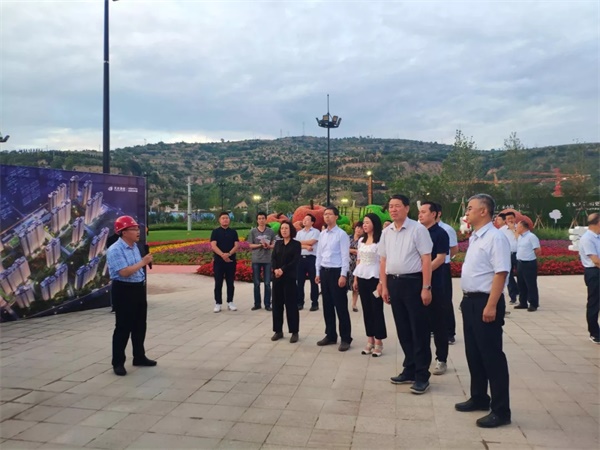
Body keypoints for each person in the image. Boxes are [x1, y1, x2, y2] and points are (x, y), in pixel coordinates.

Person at [455, 193, 511, 428]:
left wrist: (491, 305)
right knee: (474, 353)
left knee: (491, 356)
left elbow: (501, 272)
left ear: (483, 211)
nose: (466, 212)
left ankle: (501, 410)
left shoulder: (495, 238)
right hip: (470, 301)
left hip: (486, 301)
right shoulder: (476, 237)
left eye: (470, 208)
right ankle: (479, 397)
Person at [379, 194, 433, 395]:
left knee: (418, 330)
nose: (393, 210)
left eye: (397, 206)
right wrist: (384, 286)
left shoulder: (418, 230)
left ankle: (422, 375)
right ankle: (409, 368)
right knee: (403, 329)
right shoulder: (387, 232)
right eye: (390, 206)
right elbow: (383, 261)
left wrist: (426, 287)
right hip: (394, 283)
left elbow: (426, 259)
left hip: (413, 283)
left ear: (407, 208)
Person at [106, 215, 155, 376]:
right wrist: (143, 262)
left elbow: (136, 269)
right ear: (123, 232)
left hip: (138, 289)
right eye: (134, 229)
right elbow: (124, 272)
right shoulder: (115, 250)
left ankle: (139, 356)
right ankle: (118, 362)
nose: (138, 231)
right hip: (124, 290)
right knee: (123, 327)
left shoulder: (135, 246)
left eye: (137, 228)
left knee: (140, 325)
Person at [419, 202, 450, 375]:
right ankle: (422, 358)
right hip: (418, 283)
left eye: (424, 212)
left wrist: (424, 271)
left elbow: (440, 258)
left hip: (436, 283)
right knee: (421, 323)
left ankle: (441, 359)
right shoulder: (417, 232)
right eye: (419, 212)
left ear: (434, 214)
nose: (420, 215)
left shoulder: (440, 233)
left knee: (438, 323)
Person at [315, 206, 352, 351]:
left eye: (330, 214)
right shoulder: (322, 234)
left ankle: (346, 338)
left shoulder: (341, 235)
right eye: (325, 214)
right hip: (324, 271)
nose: (327, 216)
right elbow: (319, 254)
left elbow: (345, 256)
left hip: (336, 272)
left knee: (340, 306)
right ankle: (330, 335)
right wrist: (317, 272)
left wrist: (343, 275)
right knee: (327, 305)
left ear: (336, 217)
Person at [353, 213, 386, 357]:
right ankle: (370, 339)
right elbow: (358, 260)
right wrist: (355, 279)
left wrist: (381, 283)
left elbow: (383, 262)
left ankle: (379, 341)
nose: (364, 225)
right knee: (366, 309)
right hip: (362, 277)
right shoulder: (361, 240)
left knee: (376, 310)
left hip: (375, 278)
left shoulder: (380, 241)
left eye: (367, 222)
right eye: (364, 223)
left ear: (375, 223)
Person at [271, 221, 302, 343]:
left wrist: (282, 270)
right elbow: (273, 258)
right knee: (277, 305)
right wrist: (275, 269)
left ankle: (294, 331)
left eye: (286, 228)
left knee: (291, 305)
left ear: (291, 230)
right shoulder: (278, 243)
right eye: (282, 228)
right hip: (277, 278)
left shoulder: (296, 244)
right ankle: (278, 331)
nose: (284, 230)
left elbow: (295, 261)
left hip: (289, 278)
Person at [436, 203, 458, 344]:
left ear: (437, 213)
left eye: (424, 212)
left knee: (445, 300)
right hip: (428, 267)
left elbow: (454, 249)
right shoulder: (422, 229)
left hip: (443, 267)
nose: (420, 215)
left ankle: (450, 332)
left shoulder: (447, 229)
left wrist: (446, 258)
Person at [210, 212, 239, 313]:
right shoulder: (215, 232)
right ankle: (218, 303)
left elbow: (236, 245)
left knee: (230, 283)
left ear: (229, 220)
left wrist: (229, 254)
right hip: (219, 261)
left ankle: (230, 302)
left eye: (227, 218)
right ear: (219, 220)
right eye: (223, 218)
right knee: (218, 283)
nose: (225, 220)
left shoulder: (233, 232)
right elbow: (213, 245)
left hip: (231, 261)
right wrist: (222, 255)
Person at [578, 213, 600, 344]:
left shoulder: (597, 237)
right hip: (594, 273)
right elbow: (595, 260)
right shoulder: (587, 238)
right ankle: (594, 333)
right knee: (594, 303)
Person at [248, 212, 275, 311]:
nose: (261, 220)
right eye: (259, 218)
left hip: (267, 260)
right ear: (257, 220)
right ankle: (257, 303)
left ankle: (267, 304)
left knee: (267, 283)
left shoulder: (270, 231)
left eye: (263, 218)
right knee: (256, 283)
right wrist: (260, 245)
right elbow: (250, 245)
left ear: (266, 219)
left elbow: (274, 243)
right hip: (256, 259)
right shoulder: (253, 231)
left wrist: (269, 246)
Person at [514, 220, 540, 312]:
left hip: (529, 263)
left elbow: (537, 250)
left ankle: (533, 304)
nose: (516, 228)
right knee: (521, 284)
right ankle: (523, 302)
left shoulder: (531, 237)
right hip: (520, 262)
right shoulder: (520, 237)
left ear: (522, 227)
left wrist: (531, 258)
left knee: (530, 284)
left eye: (517, 227)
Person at [296, 214, 320, 311]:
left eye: (307, 219)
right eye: (304, 219)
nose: (304, 221)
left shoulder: (316, 232)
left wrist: (302, 243)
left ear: (312, 222)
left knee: (313, 281)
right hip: (300, 259)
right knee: (300, 282)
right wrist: (306, 246)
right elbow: (296, 244)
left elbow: (312, 242)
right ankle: (299, 302)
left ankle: (314, 303)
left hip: (311, 259)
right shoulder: (299, 232)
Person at [498, 212, 519, 304]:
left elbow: (521, 239)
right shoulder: (501, 230)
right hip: (507, 255)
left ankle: (522, 295)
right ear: (505, 220)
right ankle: (513, 296)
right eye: (508, 219)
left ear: (515, 218)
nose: (510, 220)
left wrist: (514, 229)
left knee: (520, 275)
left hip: (519, 254)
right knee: (509, 276)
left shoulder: (520, 228)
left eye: (511, 218)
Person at [349, 221, 364, 312]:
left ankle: (354, 304)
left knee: (355, 285)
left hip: (357, 264)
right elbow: (343, 249)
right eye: (358, 227)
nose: (359, 230)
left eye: (361, 228)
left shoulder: (363, 240)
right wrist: (353, 251)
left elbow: (361, 252)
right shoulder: (348, 238)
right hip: (348, 263)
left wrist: (351, 250)